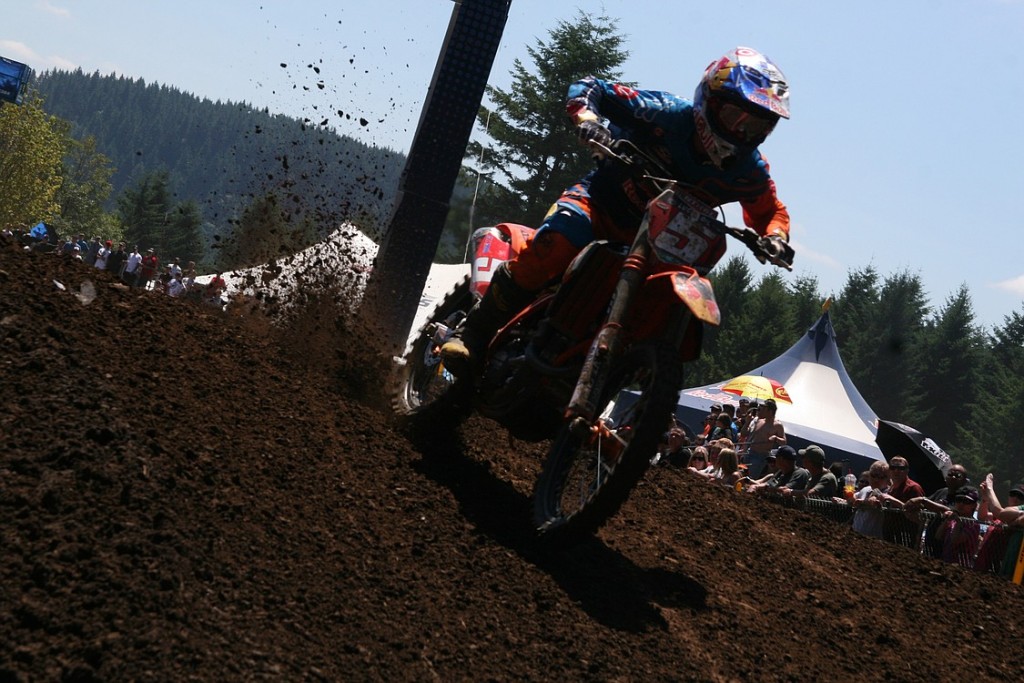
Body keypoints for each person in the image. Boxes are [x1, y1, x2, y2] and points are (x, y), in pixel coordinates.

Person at [441, 47, 792, 377]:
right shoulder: (666, 113)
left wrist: (775, 237)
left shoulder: (749, 170)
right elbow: (591, 87)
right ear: (710, 102)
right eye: (737, 117)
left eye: (760, 127)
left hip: (661, 248)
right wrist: (588, 119)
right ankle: (474, 332)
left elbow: (770, 211)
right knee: (560, 244)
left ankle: (625, 391)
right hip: (599, 206)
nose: (745, 132)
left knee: (664, 306)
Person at [741, 398, 785, 479]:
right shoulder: (759, 421)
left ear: (770, 411)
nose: (760, 410)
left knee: (750, 477)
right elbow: (744, 434)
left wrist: (775, 438)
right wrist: (747, 422)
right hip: (749, 452)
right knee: (741, 474)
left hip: (760, 456)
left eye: (764, 408)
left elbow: (784, 442)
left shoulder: (778, 425)